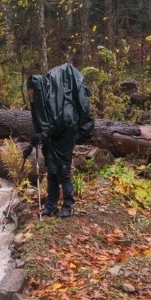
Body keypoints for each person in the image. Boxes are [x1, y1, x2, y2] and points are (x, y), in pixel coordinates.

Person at [24, 63, 95, 218]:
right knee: (51, 171)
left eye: (32, 90)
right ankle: (51, 205)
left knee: (62, 170)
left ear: (39, 88)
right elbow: (41, 124)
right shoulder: (38, 100)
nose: (31, 94)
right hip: (51, 138)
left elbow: (65, 121)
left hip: (65, 136)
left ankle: (68, 205)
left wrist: (44, 135)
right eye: (29, 91)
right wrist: (31, 144)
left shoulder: (55, 98)